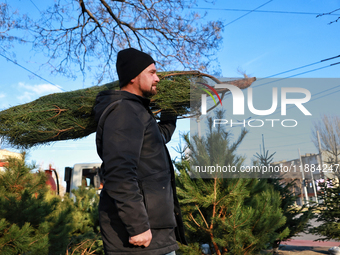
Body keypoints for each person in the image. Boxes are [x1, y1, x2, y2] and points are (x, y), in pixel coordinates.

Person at [94, 48, 187, 255]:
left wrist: (171, 109)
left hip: (154, 233)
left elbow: (158, 138)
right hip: (139, 238)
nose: (158, 79)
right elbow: (119, 173)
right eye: (152, 73)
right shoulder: (124, 111)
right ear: (134, 77)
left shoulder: (138, 111)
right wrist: (138, 226)